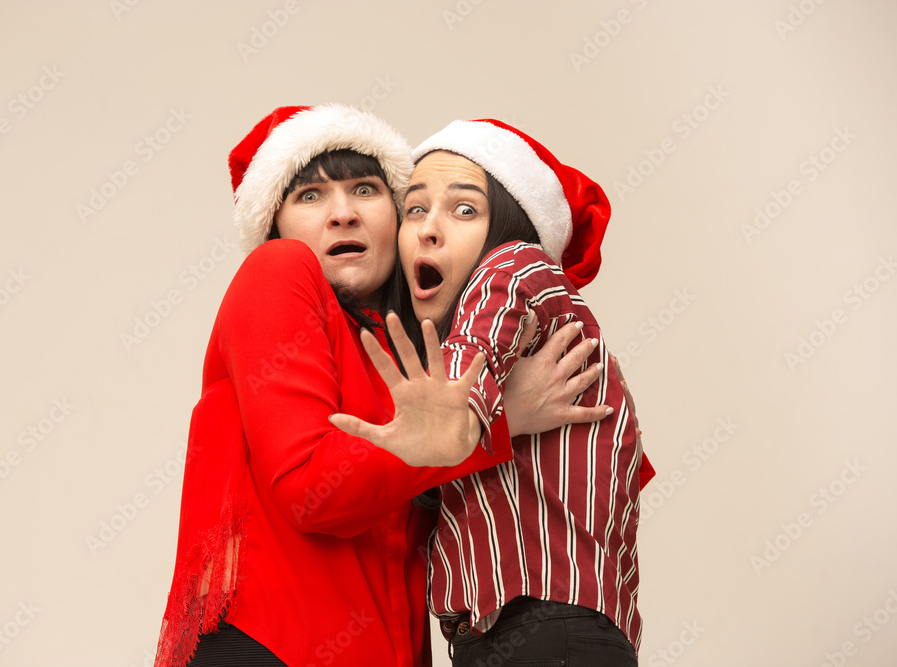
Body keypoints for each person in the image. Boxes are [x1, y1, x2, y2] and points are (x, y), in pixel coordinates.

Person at [153, 106, 614, 667]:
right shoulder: (278, 270)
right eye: (309, 196)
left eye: (365, 189)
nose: (343, 214)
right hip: (268, 649)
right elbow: (309, 489)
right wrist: (492, 421)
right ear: (274, 223)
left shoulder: (412, 351)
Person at [331, 119, 652, 666]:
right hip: (526, 637)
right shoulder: (500, 360)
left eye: (464, 210)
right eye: (414, 209)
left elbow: (485, 333)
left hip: (544, 628)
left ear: (508, 229)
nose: (429, 230)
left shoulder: (514, 268)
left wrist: (450, 410)